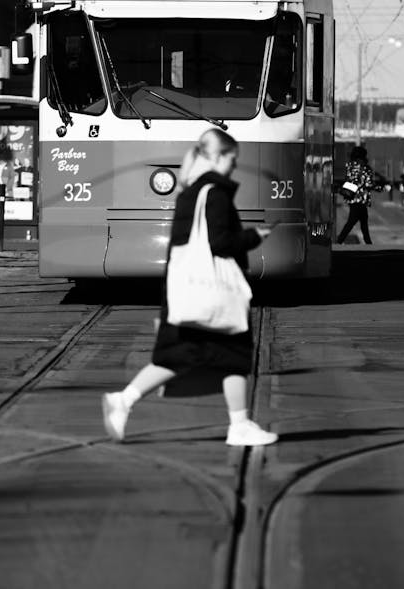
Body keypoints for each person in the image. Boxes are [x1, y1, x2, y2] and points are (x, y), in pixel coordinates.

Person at [102, 128, 278, 447]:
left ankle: (124, 400)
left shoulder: (190, 192)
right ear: (217, 157)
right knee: (234, 354)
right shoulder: (216, 193)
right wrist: (254, 237)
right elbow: (219, 242)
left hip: (186, 289)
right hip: (212, 293)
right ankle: (238, 426)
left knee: (179, 356)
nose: (233, 167)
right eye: (231, 160)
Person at [337, 145, 374, 245]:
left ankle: (368, 243)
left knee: (362, 222)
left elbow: (348, 180)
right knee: (353, 222)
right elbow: (369, 183)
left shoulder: (350, 166)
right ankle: (339, 241)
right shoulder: (365, 168)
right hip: (361, 199)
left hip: (352, 197)